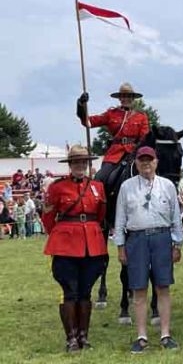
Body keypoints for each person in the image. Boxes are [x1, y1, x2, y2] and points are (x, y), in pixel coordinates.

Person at [114, 146, 183, 354]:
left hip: (162, 237)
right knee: (139, 289)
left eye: (149, 160)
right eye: (142, 160)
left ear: (156, 162)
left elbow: (176, 217)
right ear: (136, 162)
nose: (146, 163)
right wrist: (120, 247)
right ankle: (142, 336)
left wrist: (177, 244)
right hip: (136, 239)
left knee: (163, 287)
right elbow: (119, 219)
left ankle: (165, 334)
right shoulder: (126, 187)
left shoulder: (168, 185)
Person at [42, 145, 107, 352]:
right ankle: (71, 338)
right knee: (70, 291)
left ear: (88, 164)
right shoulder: (57, 187)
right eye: (76, 162)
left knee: (86, 292)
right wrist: (61, 234)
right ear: (70, 165)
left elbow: (101, 214)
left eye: (84, 162)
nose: (80, 165)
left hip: (92, 245)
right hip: (66, 245)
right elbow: (48, 217)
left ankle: (83, 336)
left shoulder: (97, 186)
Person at [76, 82, 150, 222]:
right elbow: (88, 122)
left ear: (133, 98)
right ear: (119, 98)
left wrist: (138, 152)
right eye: (123, 96)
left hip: (134, 154)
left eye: (128, 96)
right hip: (114, 155)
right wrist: (81, 105)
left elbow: (144, 138)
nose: (125, 99)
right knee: (99, 179)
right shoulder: (111, 114)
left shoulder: (141, 116)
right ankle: (99, 215)